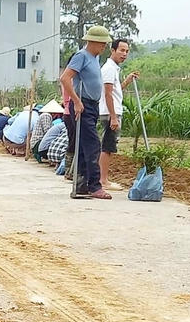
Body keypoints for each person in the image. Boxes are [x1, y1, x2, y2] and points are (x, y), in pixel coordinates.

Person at [60, 25, 113, 199]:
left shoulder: (94, 58)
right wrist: (76, 101)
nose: (104, 47)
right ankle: (94, 185)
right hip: (83, 106)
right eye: (102, 44)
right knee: (93, 145)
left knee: (84, 146)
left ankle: (82, 185)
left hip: (92, 106)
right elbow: (65, 78)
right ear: (93, 42)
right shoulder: (81, 56)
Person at [100, 39, 140, 191]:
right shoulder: (109, 69)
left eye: (127, 51)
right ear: (113, 50)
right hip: (110, 113)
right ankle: (103, 180)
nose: (124, 54)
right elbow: (107, 94)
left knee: (109, 146)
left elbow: (115, 91)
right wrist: (113, 117)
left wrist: (127, 81)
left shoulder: (114, 69)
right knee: (107, 147)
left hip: (112, 111)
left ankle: (103, 179)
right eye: (121, 50)